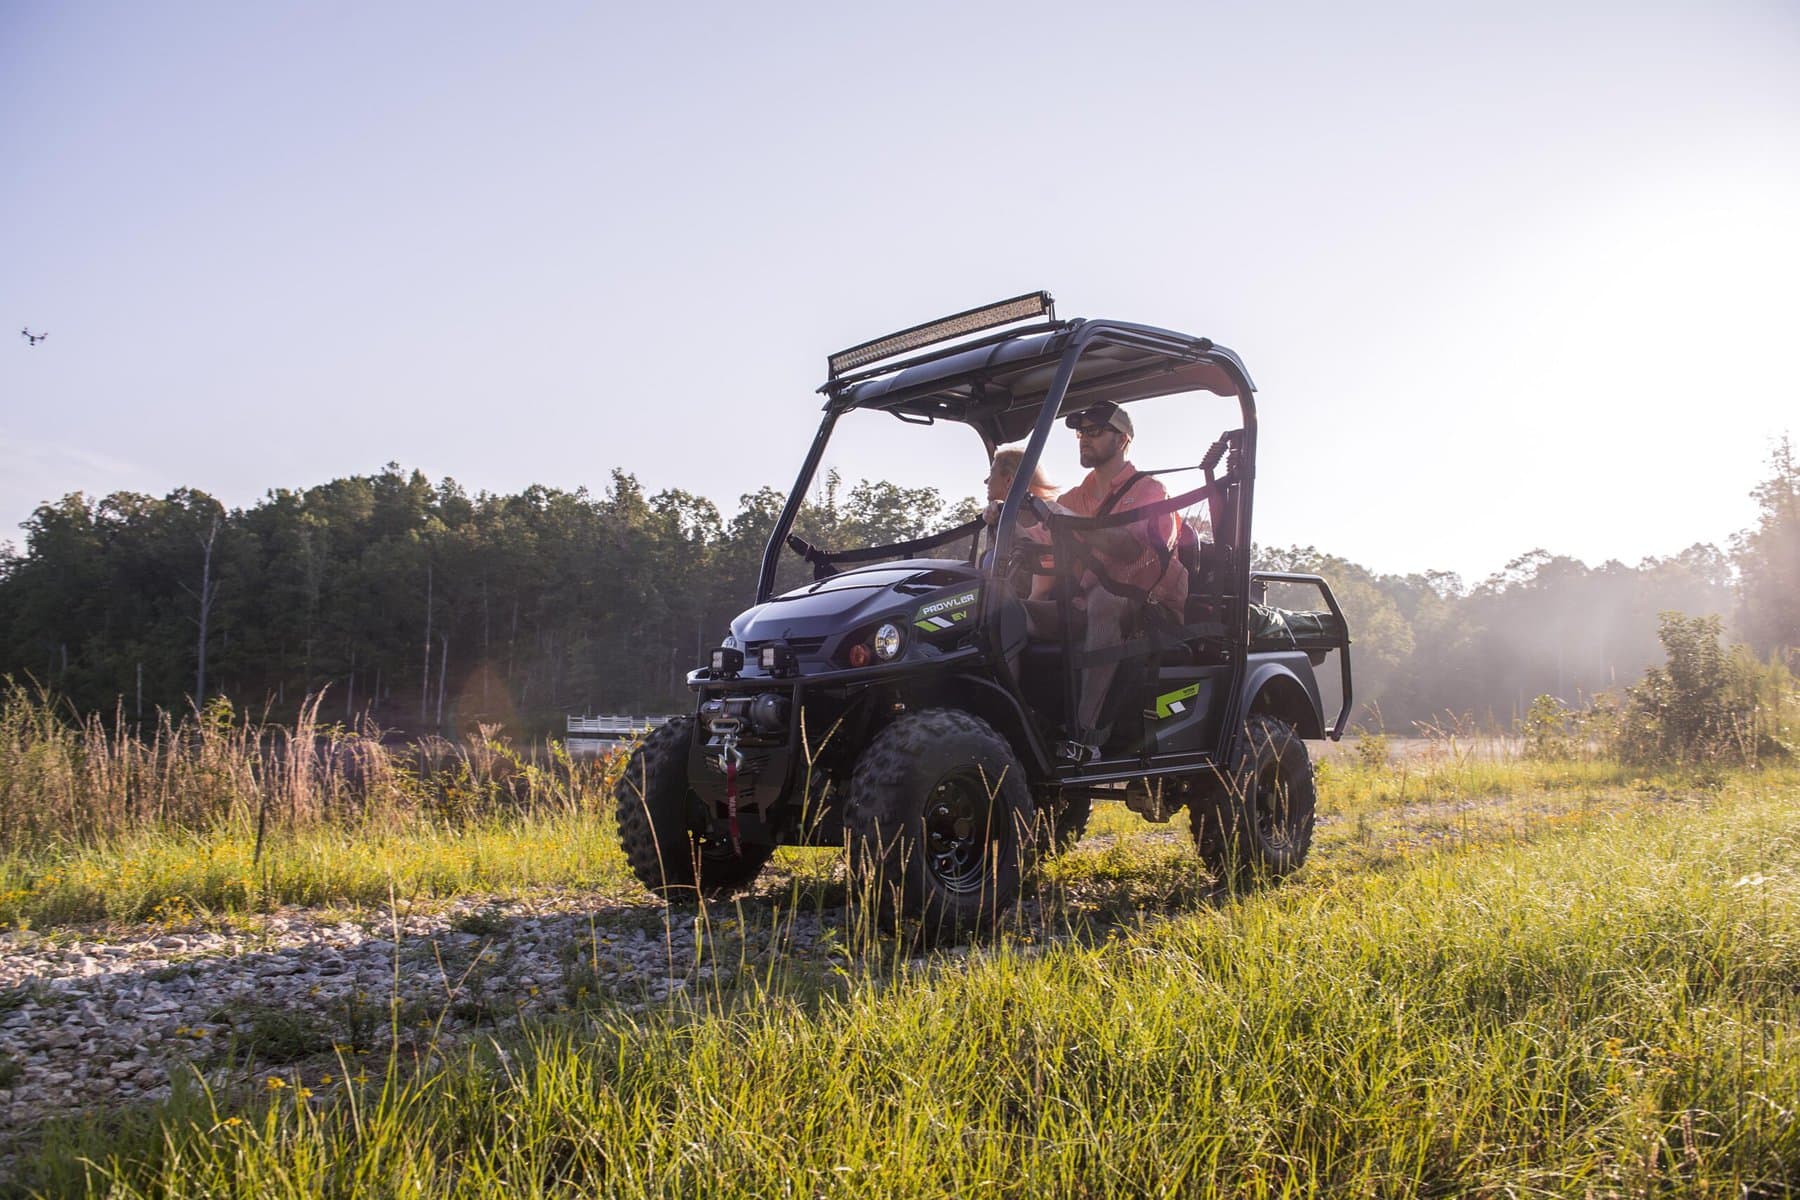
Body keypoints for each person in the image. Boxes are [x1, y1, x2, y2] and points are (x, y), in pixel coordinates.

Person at [1020, 401, 1187, 761]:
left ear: (1123, 439)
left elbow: (1130, 550)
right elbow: (1036, 537)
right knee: (1009, 613)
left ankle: (1087, 740)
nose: (1084, 439)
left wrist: (1069, 522)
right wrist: (1003, 516)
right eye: (1081, 432)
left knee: (1104, 603)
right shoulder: (1075, 498)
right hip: (1086, 603)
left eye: (1095, 431)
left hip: (1147, 610)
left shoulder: (1150, 491)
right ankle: (1019, 724)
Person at [982, 447, 1059, 599]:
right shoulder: (997, 518)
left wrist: (1002, 518)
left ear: (1009, 480)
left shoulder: (1047, 516)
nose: (986, 481)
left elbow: (1040, 572)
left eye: (991, 473)